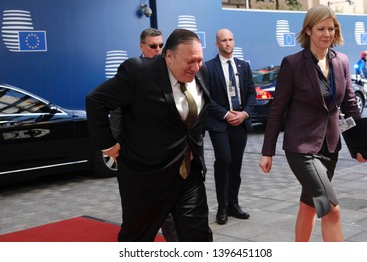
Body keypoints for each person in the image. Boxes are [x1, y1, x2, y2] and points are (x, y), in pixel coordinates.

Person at [86, 28, 213, 242]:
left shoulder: (201, 72)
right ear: (169, 56)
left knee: (198, 236)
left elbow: (193, 122)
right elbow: (96, 100)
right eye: (190, 61)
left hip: (188, 174)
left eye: (199, 60)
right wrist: (107, 144)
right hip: (146, 178)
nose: (196, 67)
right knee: (137, 239)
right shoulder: (138, 72)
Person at [259, 5, 367, 242]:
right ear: (308, 30)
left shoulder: (341, 61)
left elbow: (350, 105)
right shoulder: (293, 63)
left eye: (331, 28)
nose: (327, 33)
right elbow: (277, 109)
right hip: (301, 148)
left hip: (330, 147)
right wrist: (267, 151)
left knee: (309, 205)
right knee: (331, 210)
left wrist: (362, 145)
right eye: (321, 28)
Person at [109, 28, 178, 242]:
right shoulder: (131, 70)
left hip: (167, 155)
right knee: (135, 211)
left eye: (161, 45)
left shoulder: (170, 70)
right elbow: (116, 110)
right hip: (136, 156)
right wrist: (116, 145)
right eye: (153, 46)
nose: (158, 50)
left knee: (170, 212)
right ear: (141, 46)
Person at [205, 28, 256, 225]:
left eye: (230, 39)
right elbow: (206, 97)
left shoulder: (243, 66)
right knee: (224, 161)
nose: (227, 43)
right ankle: (222, 207)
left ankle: (233, 204)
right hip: (219, 124)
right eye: (223, 40)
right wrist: (226, 114)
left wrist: (244, 114)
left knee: (236, 166)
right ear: (217, 44)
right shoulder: (208, 67)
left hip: (240, 123)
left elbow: (252, 93)